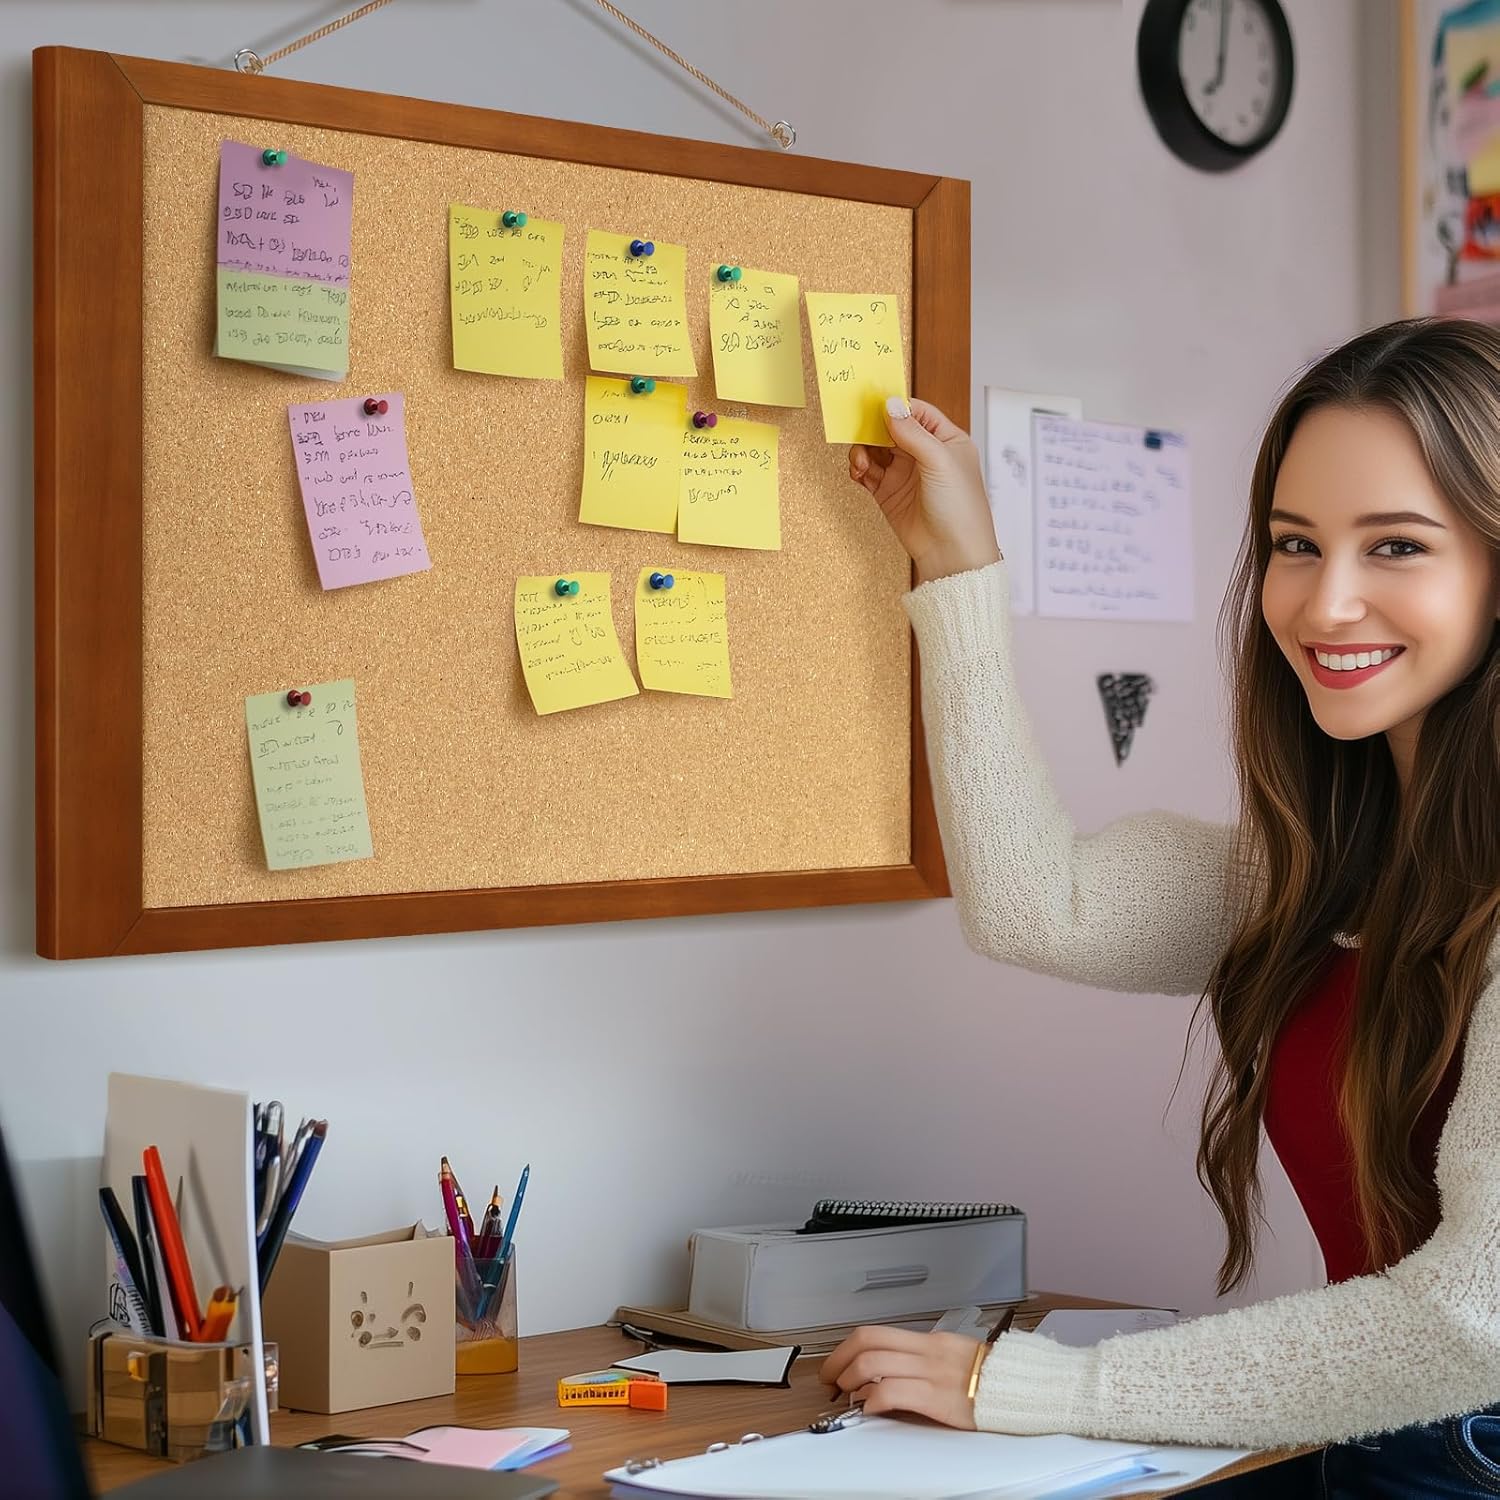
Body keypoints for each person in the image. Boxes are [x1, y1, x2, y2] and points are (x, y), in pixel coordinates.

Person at [820, 318, 1500, 1496]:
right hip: (1380, 1441)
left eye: (1395, 546)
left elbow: (1473, 1319)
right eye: (1297, 544)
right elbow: (1042, 905)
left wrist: (1043, 1391)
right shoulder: (1318, 874)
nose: (1327, 604)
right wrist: (959, 571)